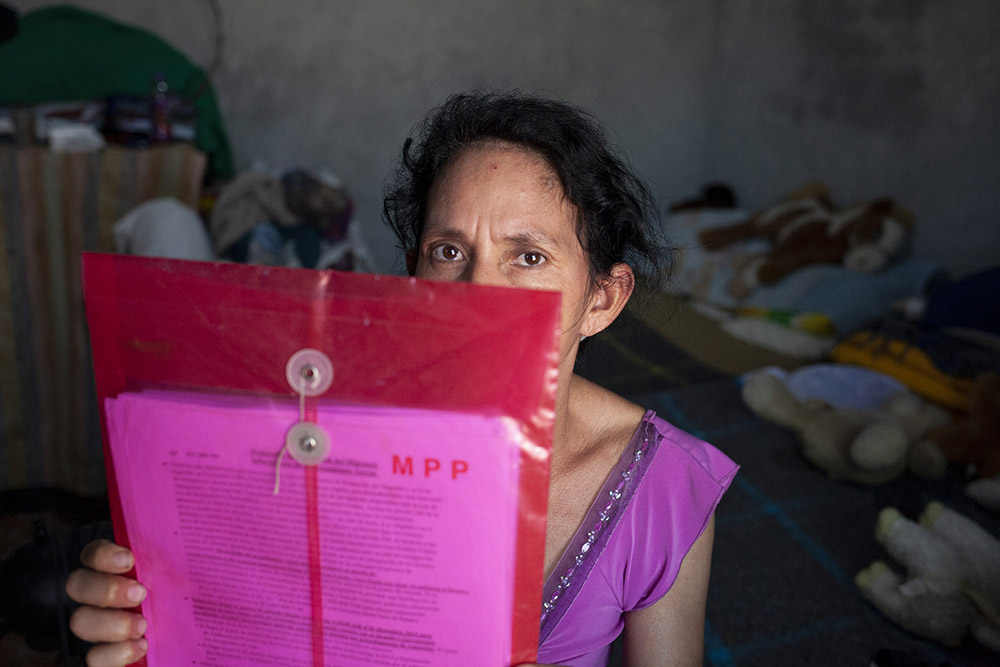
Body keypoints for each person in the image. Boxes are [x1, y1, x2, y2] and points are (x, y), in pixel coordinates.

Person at [66, 90, 738, 667]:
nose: (477, 293)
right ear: (414, 271)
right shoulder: (313, 441)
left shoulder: (661, 487)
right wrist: (145, 625)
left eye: (527, 256)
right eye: (449, 250)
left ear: (603, 299)